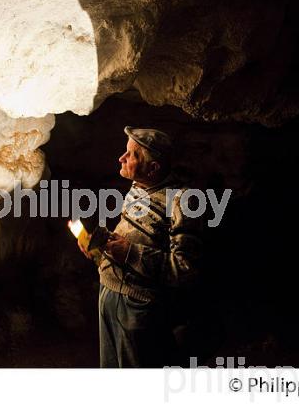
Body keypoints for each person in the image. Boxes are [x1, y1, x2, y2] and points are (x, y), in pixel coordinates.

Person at [78, 126, 205, 367]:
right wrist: (99, 251)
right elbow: (133, 236)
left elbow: (186, 269)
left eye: (131, 155)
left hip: (139, 307)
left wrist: (129, 253)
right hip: (108, 295)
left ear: (153, 167)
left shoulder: (183, 201)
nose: (121, 158)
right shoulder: (138, 186)